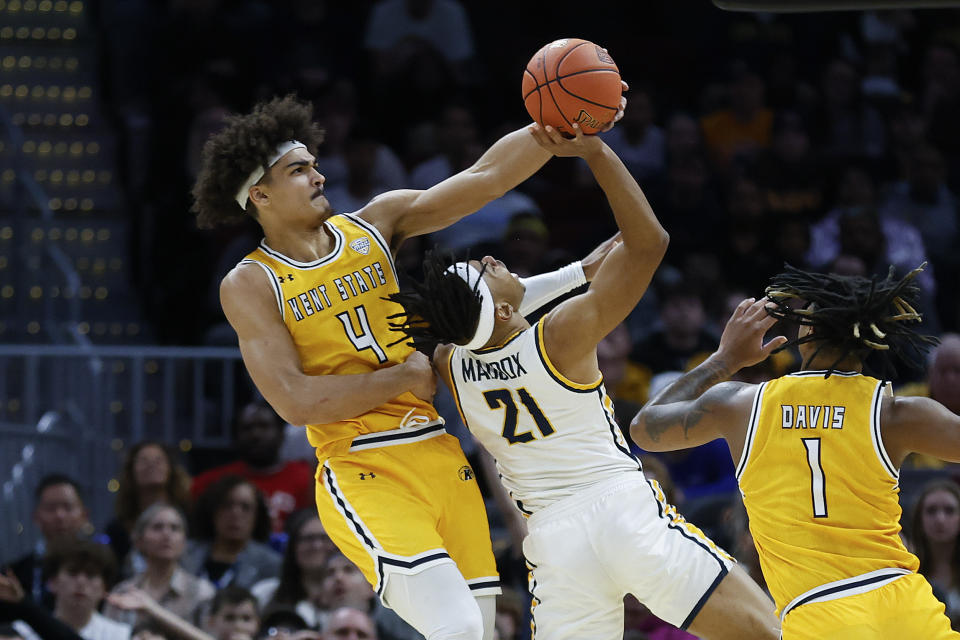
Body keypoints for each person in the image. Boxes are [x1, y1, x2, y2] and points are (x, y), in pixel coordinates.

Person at [191, 90, 624, 640]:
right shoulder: (251, 282)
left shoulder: (377, 224)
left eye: (315, 165)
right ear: (260, 195)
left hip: (439, 453)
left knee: (483, 632)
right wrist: (400, 378)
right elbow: (292, 400)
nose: (320, 176)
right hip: (363, 465)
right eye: (299, 170)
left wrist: (550, 128)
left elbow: (486, 178)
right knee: (459, 629)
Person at [385, 123, 778, 640]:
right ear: (502, 307)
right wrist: (596, 152)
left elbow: (486, 316)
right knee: (770, 635)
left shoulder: (448, 364)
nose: (490, 257)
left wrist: (578, 272)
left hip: (553, 545)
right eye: (484, 268)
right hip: (621, 511)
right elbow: (649, 244)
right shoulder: (560, 335)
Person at [630, 263, 959, 638]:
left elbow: (645, 427)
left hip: (819, 615)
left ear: (808, 329)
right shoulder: (894, 412)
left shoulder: (741, 404)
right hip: (905, 607)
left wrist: (726, 359)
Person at [191, 402, 315, 535]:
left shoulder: (309, 477)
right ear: (235, 437)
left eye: (264, 426)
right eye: (247, 428)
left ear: (281, 433)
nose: (256, 434)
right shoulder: (212, 482)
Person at [103, 504, 215, 628]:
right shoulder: (122, 593)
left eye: (175, 528)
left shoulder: (201, 592)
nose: (167, 534)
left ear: (184, 542)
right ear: (139, 540)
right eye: (157, 527)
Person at [4, 474, 92, 609]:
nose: (60, 516)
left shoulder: (100, 567)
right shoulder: (16, 574)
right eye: (51, 508)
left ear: (84, 515)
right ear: (36, 516)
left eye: (68, 507)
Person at [106, 442, 193, 576]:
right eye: (143, 460)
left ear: (170, 468)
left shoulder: (190, 516)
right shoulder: (117, 528)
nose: (152, 464)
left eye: (159, 460)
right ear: (131, 471)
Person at [182, 476, 281, 590]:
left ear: (257, 516)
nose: (235, 513)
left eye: (245, 507)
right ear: (212, 511)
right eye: (227, 505)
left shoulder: (272, 564)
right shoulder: (185, 553)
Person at [249, 510, 336, 627]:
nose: (317, 545)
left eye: (325, 538)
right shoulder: (265, 593)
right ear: (293, 547)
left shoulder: (351, 594)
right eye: (308, 538)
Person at [911, 480, 960, 626]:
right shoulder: (906, 569)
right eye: (931, 511)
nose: (940, 519)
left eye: (949, 510)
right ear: (919, 518)